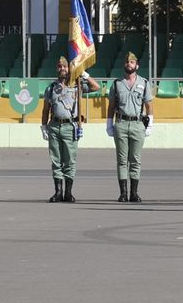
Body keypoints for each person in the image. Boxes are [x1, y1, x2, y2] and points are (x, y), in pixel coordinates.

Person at [41, 55, 99, 203]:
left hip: (70, 126)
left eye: (65, 66)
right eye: (60, 66)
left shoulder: (77, 85)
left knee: (70, 160)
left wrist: (84, 74)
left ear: (70, 68)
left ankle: (68, 192)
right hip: (54, 126)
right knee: (56, 160)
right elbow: (46, 109)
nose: (62, 69)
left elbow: (96, 87)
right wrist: (44, 126)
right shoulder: (51, 88)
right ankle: (58, 192)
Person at [107, 51, 153, 203]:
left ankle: (134, 193)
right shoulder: (117, 84)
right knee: (121, 160)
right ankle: (123, 193)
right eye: (127, 62)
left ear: (137, 65)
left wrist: (150, 124)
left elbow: (149, 105)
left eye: (132, 62)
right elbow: (111, 106)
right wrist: (109, 124)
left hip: (138, 124)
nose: (129, 64)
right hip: (121, 123)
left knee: (135, 160)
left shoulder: (144, 83)